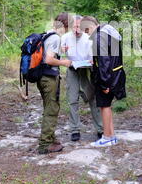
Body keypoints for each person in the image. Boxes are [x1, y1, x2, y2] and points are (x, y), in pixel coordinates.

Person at [81, 16, 126, 147]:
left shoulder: (99, 38)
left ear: (89, 26)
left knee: (104, 106)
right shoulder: (108, 33)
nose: (86, 33)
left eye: (86, 30)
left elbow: (104, 62)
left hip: (108, 78)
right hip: (116, 74)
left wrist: (104, 83)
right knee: (107, 106)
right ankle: (111, 136)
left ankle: (106, 137)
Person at [61, 15, 103, 142]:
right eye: (74, 26)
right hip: (72, 70)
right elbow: (59, 55)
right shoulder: (65, 38)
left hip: (86, 70)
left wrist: (91, 59)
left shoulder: (88, 38)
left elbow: (93, 57)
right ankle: (74, 129)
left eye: (78, 26)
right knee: (72, 100)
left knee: (92, 99)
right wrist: (62, 51)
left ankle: (100, 128)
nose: (76, 29)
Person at [37, 12, 72, 154]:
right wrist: (64, 62)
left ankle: (50, 138)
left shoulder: (47, 34)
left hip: (41, 76)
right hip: (49, 78)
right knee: (51, 110)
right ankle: (45, 144)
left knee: (48, 107)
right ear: (66, 25)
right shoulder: (56, 38)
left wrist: (61, 52)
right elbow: (49, 59)